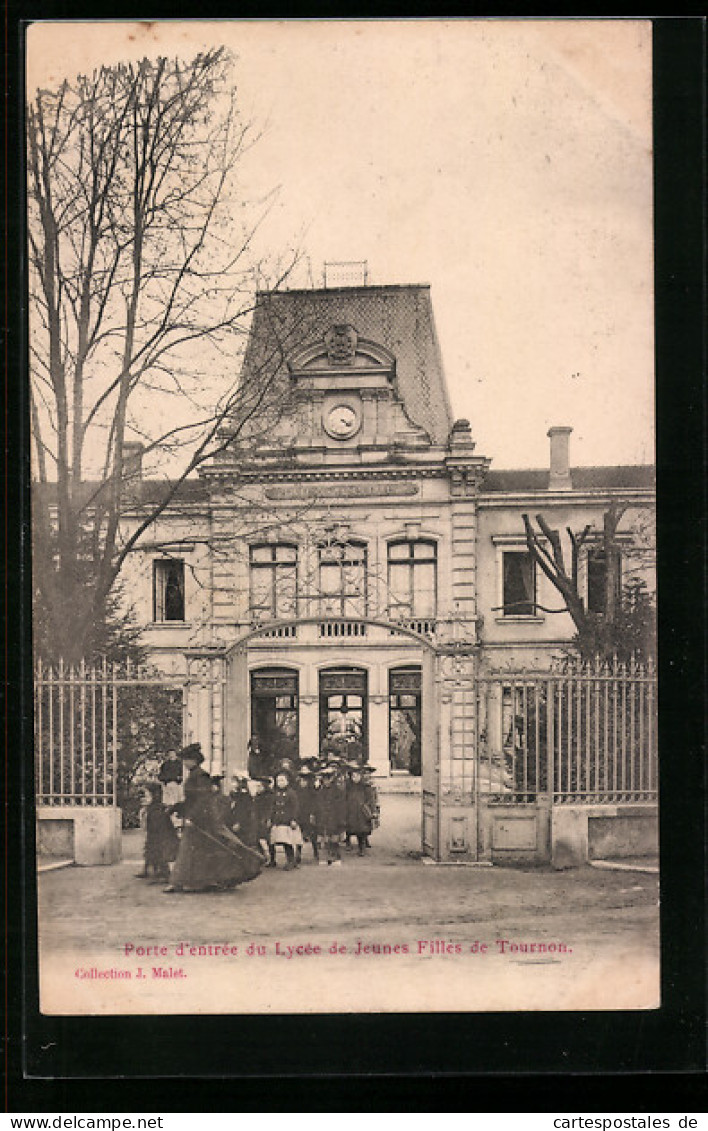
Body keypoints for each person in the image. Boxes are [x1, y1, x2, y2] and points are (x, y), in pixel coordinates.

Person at [164, 743, 263, 893]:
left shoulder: (201, 775)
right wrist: (176, 808)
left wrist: (191, 816)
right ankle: (199, 881)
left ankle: (179, 882)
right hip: (199, 818)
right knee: (200, 851)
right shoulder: (194, 775)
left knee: (192, 850)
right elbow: (192, 799)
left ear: (194, 760)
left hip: (204, 820)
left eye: (187, 759)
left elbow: (203, 799)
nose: (184, 763)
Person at [135, 781, 179, 882]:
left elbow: (159, 828)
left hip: (160, 837)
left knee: (157, 850)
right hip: (155, 835)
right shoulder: (153, 808)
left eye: (147, 795)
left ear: (154, 795)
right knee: (150, 849)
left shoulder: (157, 810)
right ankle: (149, 870)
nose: (144, 798)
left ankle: (163, 873)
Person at [267, 769, 301, 870]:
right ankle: (273, 860)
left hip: (287, 821)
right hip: (277, 820)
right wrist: (270, 818)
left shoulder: (291, 794)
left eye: (282, 780)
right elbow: (272, 807)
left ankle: (291, 861)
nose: (280, 783)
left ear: (287, 781)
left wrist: (294, 819)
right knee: (275, 841)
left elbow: (295, 807)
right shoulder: (275, 793)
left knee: (287, 842)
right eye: (278, 781)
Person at [318, 762, 348, 866]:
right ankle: (326, 858)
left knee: (334, 840)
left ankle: (336, 858)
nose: (326, 781)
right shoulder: (321, 791)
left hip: (335, 818)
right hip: (324, 818)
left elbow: (341, 806)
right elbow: (318, 804)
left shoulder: (338, 791)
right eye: (324, 779)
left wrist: (341, 820)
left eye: (329, 778)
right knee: (325, 840)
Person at [345, 767, 376, 856]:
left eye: (357, 776)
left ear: (360, 776)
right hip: (351, 811)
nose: (355, 778)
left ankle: (361, 847)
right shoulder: (348, 786)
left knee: (362, 831)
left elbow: (371, 799)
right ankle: (348, 842)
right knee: (351, 828)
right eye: (353, 776)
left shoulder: (365, 787)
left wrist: (372, 810)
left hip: (362, 812)